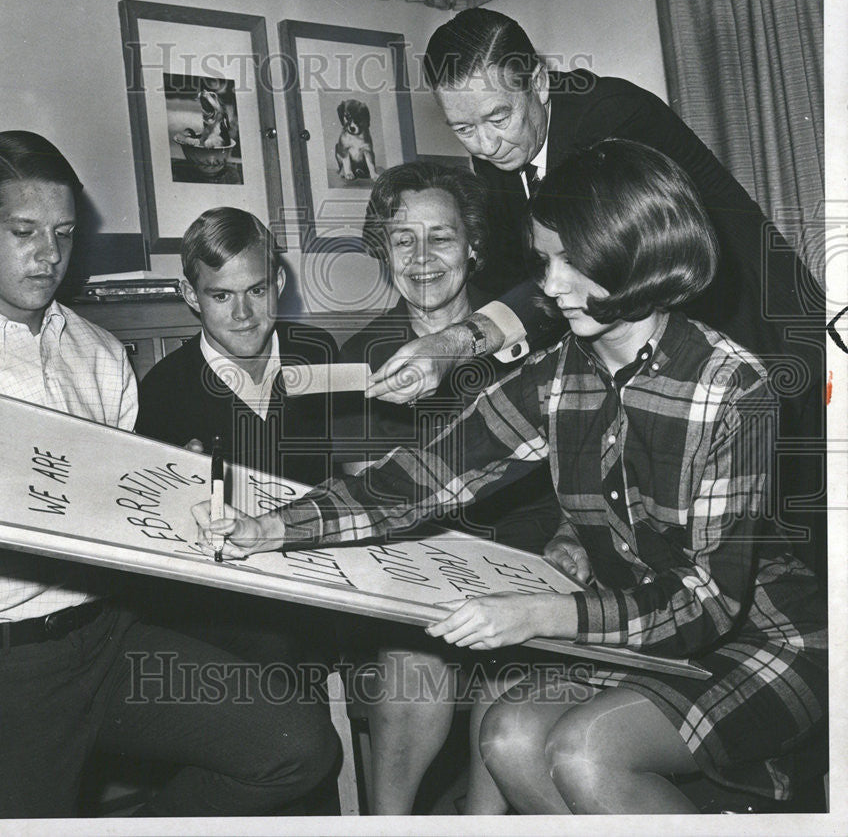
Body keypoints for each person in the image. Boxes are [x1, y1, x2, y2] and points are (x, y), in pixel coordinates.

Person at [195, 140, 827, 813]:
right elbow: (417, 480)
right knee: (508, 736)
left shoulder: (730, 386)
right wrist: (271, 526)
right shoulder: (561, 375)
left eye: (571, 262)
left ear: (635, 256)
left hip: (763, 640)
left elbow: (707, 601)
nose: (550, 287)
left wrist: (539, 614)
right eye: (546, 261)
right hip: (631, 634)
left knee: (585, 751)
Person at [0, 131, 338, 819]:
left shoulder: (97, 354)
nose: (49, 254)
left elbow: (126, 520)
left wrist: (182, 496)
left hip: (108, 640)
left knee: (297, 746)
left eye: (63, 233)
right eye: (24, 230)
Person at [368, 8, 825, 574]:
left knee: (796, 550)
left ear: (538, 82)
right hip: (661, 348)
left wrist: (459, 343)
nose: (485, 144)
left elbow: (587, 275)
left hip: (759, 334)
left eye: (498, 117)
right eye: (463, 128)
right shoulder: (498, 160)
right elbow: (534, 280)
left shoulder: (610, 120)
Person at [334, 161, 562, 814]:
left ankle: (481, 824)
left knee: (507, 655)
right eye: (404, 239)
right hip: (418, 565)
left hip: (530, 556)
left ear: (473, 245)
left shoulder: (527, 336)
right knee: (416, 664)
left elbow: (567, 482)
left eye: (442, 236)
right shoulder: (364, 359)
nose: (423, 256)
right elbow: (370, 505)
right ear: (383, 251)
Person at [136, 206, 338, 486]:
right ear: (192, 297)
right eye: (221, 296)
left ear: (278, 283)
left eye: (257, 291)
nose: (242, 313)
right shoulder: (162, 389)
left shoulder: (317, 352)